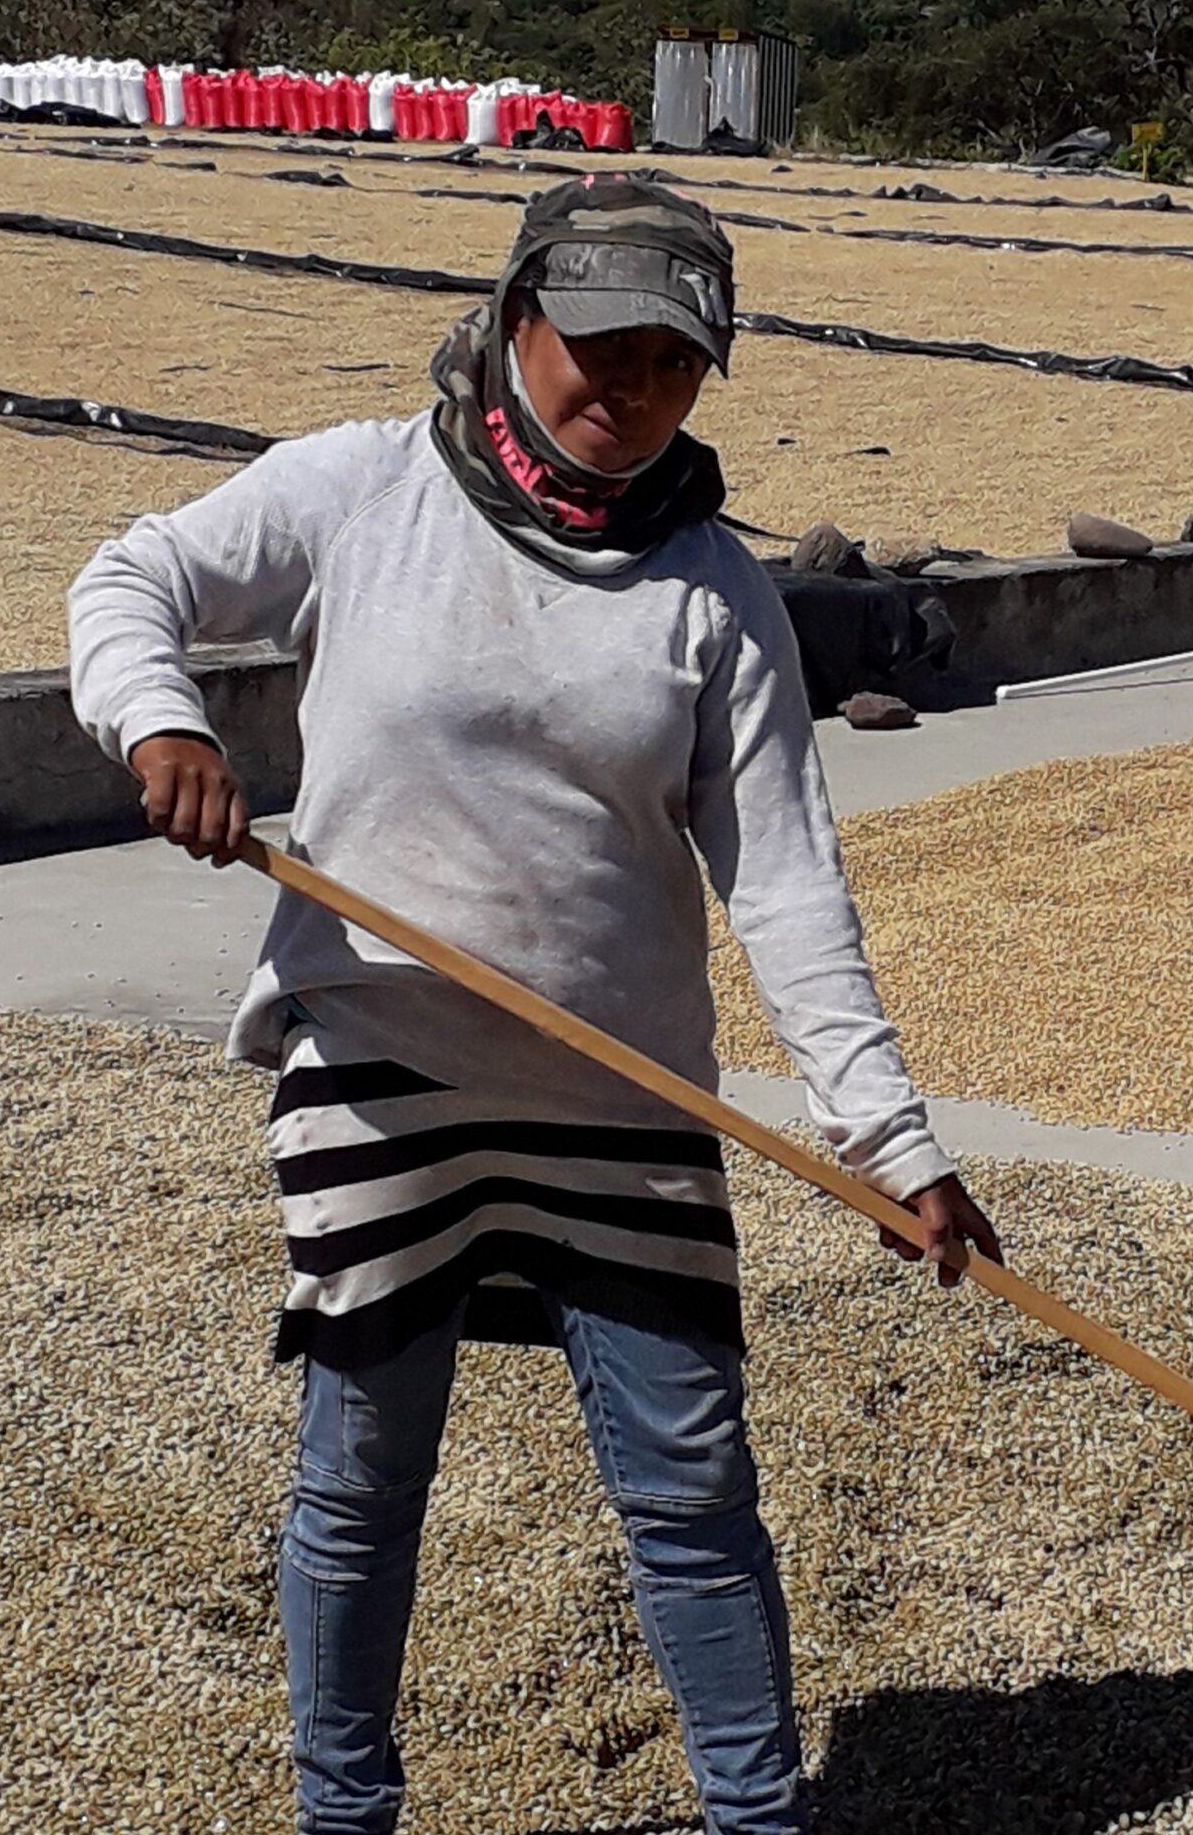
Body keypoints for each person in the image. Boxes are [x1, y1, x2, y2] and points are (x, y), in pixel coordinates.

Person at [66, 172, 1001, 1835]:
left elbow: (783, 883)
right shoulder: (366, 492)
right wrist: (166, 729)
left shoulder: (716, 594)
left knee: (694, 1490)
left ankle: (755, 1819)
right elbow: (133, 581)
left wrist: (889, 1138)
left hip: (619, 1100)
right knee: (361, 1482)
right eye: (594, 343)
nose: (623, 387)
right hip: (382, 1065)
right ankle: (342, 1813)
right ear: (516, 322)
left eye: (670, 360)